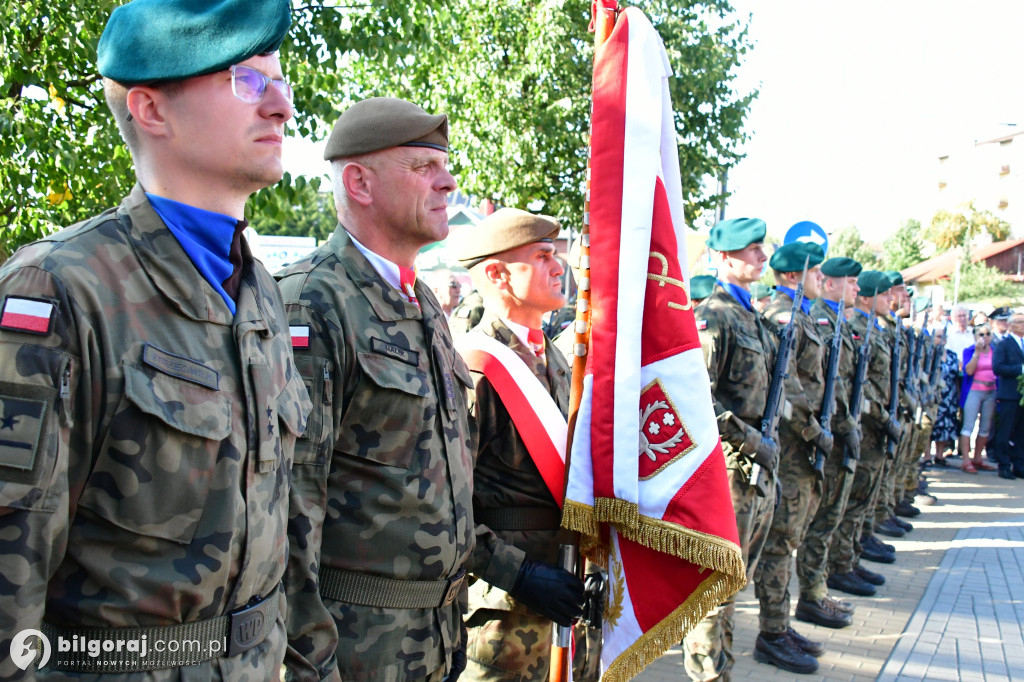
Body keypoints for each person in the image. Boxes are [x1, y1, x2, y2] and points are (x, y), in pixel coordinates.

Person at [0, 1, 312, 678]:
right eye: (247, 81)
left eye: (280, 80)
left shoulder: (256, 287)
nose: (282, 106)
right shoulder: (62, 290)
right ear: (151, 110)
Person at [277, 97, 474, 681]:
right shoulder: (312, 299)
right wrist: (309, 659)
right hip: (354, 644)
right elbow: (288, 503)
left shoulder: (422, 301)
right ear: (359, 183)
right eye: (422, 167)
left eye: (445, 164)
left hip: (433, 637)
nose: (448, 181)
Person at [453, 208, 599, 682]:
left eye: (556, 254)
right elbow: (444, 507)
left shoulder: (556, 357)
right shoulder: (476, 369)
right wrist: (519, 574)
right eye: (542, 256)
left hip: (567, 590)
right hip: (506, 615)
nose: (561, 266)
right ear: (497, 274)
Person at [685, 218, 781, 681]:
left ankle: (721, 668)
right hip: (728, 470)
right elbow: (695, 398)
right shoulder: (713, 316)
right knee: (712, 586)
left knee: (733, 584)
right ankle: (707, 672)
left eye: (762, 249)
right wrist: (751, 439)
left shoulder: (753, 318)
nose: (762, 257)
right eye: (753, 250)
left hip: (756, 473)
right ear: (724, 258)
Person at [753, 242, 841, 675]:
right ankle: (771, 632)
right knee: (780, 540)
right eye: (815, 273)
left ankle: (781, 623)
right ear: (792, 276)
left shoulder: (804, 313)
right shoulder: (779, 315)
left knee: (792, 537)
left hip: (805, 444)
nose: (820, 279)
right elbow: (782, 383)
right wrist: (814, 429)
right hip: (789, 445)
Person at [796, 257, 868, 623]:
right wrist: (837, 426)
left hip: (837, 428)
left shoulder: (836, 321)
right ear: (832, 286)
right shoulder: (820, 320)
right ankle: (810, 594)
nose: (857, 289)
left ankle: (818, 588)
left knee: (832, 515)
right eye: (851, 282)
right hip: (823, 432)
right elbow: (823, 382)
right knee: (820, 519)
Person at [827, 271, 898, 597]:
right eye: (886, 294)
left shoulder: (869, 328)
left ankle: (849, 558)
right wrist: (880, 418)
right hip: (860, 427)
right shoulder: (849, 327)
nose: (893, 301)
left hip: (864, 426)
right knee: (842, 505)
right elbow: (849, 385)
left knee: (858, 500)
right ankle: (838, 567)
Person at [959, 324, 999, 473]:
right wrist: (977, 352)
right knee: (968, 425)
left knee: (985, 427)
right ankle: (966, 460)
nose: (985, 337)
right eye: (981, 334)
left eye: (987, 334)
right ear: (975, 336)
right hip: (974, 390)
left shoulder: (995, 351)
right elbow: (968, 370)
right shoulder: (969, 350)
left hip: (991, 391)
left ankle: (977, 458)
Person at [991, 312, 1024, 480]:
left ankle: (1019, 465)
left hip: (1021, 395)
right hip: (1009, 394)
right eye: (1021, 322)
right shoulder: (1004, 344)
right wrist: (1021, 369)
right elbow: (997, 367)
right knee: (1005, 431)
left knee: (1021, 432)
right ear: (1012, 325)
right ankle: (1003, 465)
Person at [930, 329, 961, 467]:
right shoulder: (928, 353)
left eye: (944, 336)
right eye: (938, 336)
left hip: (950, 394)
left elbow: (956, 377)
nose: (942, 339)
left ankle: (939, 454)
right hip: (933, 393)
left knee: (946, 424)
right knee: (931, 423)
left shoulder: (952, 355)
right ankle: (926, 455)